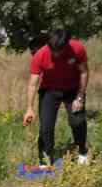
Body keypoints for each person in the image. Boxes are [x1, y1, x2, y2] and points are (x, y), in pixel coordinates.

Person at [22, 29, 90, 166]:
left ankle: (82, 152)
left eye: (59, 50)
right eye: (53, 50)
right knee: (46, 127)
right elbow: (32, 84)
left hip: (73, 89)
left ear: (66, 44)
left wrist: (80, 97)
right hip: (49, 91)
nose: (56, 54)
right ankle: (44, 161)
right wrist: (29, 108)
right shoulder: (40, 55)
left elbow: (84, 72)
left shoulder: (77, 48)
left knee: (77, 121)